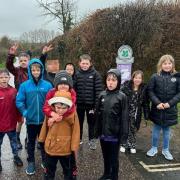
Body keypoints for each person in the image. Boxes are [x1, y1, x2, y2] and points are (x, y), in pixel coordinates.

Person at [16, 59, 52, 175]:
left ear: (41, 70)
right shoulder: (24, 86)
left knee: (44, 142)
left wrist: (49, 115)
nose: (36, 72)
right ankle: (31, 162)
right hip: (31, 121)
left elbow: (51, 101)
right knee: (31, 143)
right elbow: (19, 101)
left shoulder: (47, 85)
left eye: (38, 69)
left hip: (43, 120)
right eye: (33, 70)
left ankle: (45, 160)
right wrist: (25, 113)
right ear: (30, 71)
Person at [94, 69, 129, 180]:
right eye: (108, 80)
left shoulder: (122, 96)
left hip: (114, 134)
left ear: (118, 81)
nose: (110, 82)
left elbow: (124, 117)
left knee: (114, 157)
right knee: (105, 156)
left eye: (114, 80)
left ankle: (114, 176)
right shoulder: (102, 95)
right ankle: (106, 173)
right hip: (103, 133)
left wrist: (124, 135)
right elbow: (98, 115)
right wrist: (96, 130)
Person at [43, 70, 78, 179]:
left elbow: (70, 107)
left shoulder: (72, 93)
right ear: (56, 85)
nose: (63, 86)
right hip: (52, 142)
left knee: (68, 168)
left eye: (66, 84)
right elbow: (46, 107)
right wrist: (52, 114)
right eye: (60, 84)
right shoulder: (51, 92)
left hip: (65, 144)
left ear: (70, 85)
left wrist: (58, 117)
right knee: (49, 169)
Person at [146, 54, 180, 160]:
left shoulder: (177, 77)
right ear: (161, 64)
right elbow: (150, 91)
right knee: (156, 129)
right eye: (165, 63)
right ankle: (154, 148)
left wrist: (169, 104)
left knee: (166, 131)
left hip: (170, 110)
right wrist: (157, 103)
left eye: (169, 63)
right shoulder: (155, 76)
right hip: (157, 109)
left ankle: (166, 150)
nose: (167, 65)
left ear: (172, 64)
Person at [74, 54, 103, 149]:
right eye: (83, 63)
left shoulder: (95, 74)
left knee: (92, 124)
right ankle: (79, 139)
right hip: (80, 105)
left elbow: (98, 91)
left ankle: (92, 140)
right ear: (79, 63)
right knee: (79, 123)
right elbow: (74, 90)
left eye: (87, 63)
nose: (85, 65)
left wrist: (96, 106)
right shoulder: (76, 74)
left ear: (90, 64)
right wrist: (74, 103)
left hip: (91, 105)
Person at [6, 44, 30, 150]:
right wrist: (11, 55)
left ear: (29, 60)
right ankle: (17, 138)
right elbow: (8, 65)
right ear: (19, 62)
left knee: (30, 120)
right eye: (21, 61)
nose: (23, 62)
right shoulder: (16, 71)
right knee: (20, 121)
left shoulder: (32, 71)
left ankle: (28, 139)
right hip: (20, 99)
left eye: (25, 60)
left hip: (30, 99)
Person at [120, 70, 149, 153]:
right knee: (125, 128)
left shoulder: (144, 89)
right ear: (133, 78)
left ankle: (132, 144)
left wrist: (146, 114)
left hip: (136, 113)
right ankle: (123, 144)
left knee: (133, 128)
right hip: (126, 111)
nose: (137, 79)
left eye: (139, 78)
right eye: (136, 77)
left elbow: (146, 103)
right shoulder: (126, 87)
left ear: (142, 79)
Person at [0, 69, 23, 171]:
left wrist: (19, 118)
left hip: (11, 125)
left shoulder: (14, 91)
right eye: (1, 77)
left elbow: (17, 106)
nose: (3, 79)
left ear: (9, 78)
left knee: (14, 143)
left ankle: (16, 157)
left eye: (5, 77)